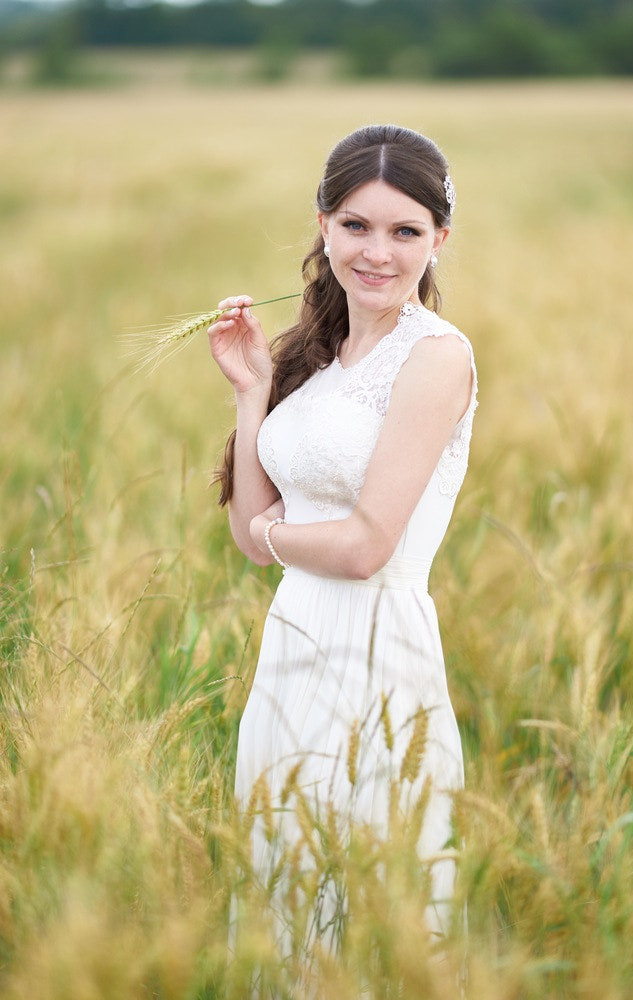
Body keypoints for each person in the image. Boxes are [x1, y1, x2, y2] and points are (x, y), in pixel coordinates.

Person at [207, 124, 478, 944]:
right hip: (291, 652)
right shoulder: (320, 357)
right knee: (284, 891)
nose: (378, 253)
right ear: (322, 223)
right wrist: (254, 392)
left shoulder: (435, 358)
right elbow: (252, 535)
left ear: (439, 240)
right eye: (356, 225)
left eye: (406, 232)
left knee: (366, 909)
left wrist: (278, 534)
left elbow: (365, 549)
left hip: (375, 660)